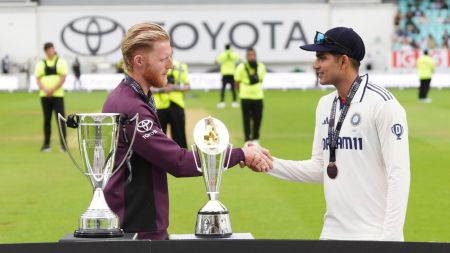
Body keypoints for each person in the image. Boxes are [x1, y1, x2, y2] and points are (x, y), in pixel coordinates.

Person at [101, 22, 272, 240]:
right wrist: (241, 155)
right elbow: (178, 162)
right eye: (164, 59)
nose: (171, 65)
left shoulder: (131, 97)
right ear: (139, 61)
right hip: (137, 231)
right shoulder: (131, 106)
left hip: (138, 224)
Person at [250, 27, 410, 241]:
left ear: (343, 61)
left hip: (373, 236)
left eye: (321, 57)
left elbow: (398, 175)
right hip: (331, 235)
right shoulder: (325, 105)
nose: (315, 65)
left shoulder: (383, 105)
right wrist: (270, 164)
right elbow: (321, 168)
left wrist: (390, 240)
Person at [34, 42, 68, 152]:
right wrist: (44, 89)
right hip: (45, 96)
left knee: (60, 120)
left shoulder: (61, 62)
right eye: (47, 50)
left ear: (54, 49)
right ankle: (46, 144)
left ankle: (64, 145)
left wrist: (52, 90)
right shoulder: (41, 63)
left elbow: (63, 78)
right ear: (45, 51)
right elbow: (38, 78)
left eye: (50, 49)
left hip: (57, 95)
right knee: (47, 120)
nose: (49, 52)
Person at [152, 59, 190, 148]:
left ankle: (181, 159)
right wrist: (163, 89)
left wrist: (173, 87)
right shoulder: (154, 66)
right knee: (159, 138)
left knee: (178, 137)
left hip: (175, 104)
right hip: (160, 105)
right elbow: (148, 87)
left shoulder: (181, 66)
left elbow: (187, 86)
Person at [235, 48, 266, 146]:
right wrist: (242, 91)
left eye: (253, 55)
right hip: (245, 97)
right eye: (249, 55)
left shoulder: (261, 66)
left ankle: (256, 138)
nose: (252, 57)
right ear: (246, 56)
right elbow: (237, 82)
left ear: (256, 56)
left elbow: (261, 80)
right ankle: (247, 139)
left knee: (258, 118)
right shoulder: (241, 67)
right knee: (246, 119)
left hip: (258, 96)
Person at [216, 44, 240, 108]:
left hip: (225, 73)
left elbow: (217, 60)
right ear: (230, 47)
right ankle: (234, 102)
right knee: (233, 89)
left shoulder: (222, 54)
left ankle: (222, 102)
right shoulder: (233, 54)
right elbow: (238, 58)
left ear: (225, 48)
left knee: (223, 89)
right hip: (232, 73)